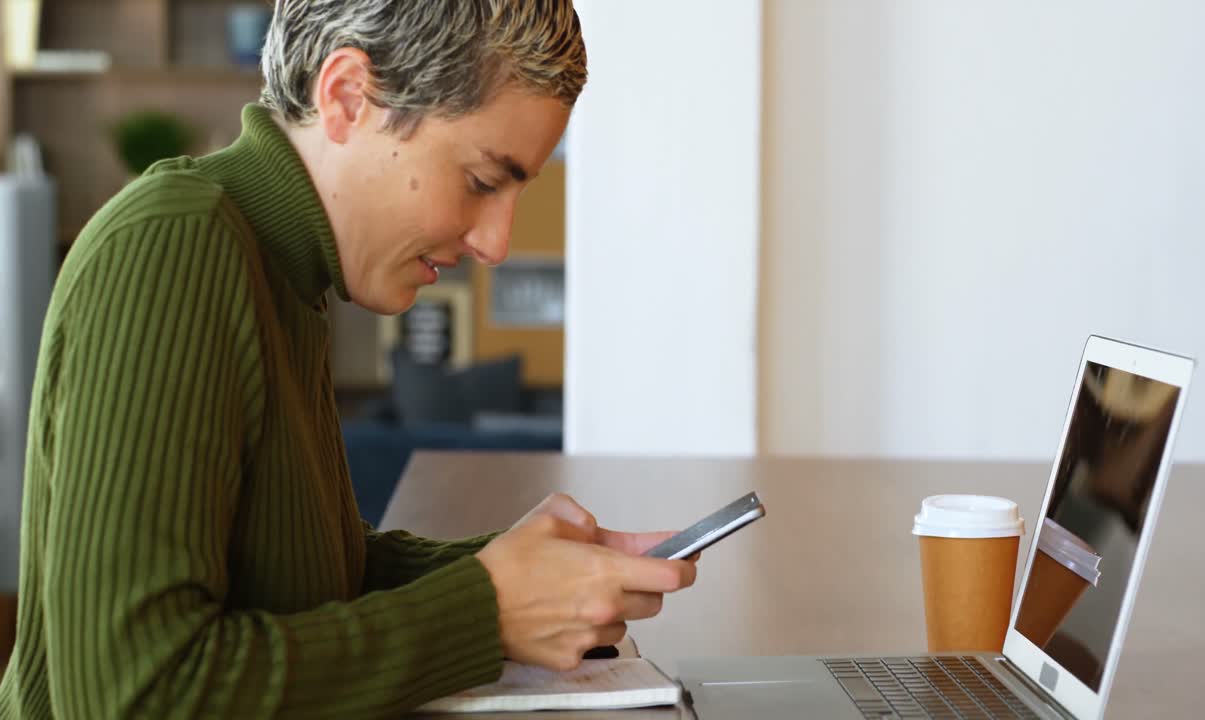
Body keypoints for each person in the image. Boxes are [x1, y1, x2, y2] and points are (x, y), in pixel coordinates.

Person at [0, 2, 697, 717]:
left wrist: (523, 574)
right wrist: (484, 613)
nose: (496, 243)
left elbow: (305, 576)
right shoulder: (175, 248)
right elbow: (134, 693)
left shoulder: (285, 272)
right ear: (346, 98)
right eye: (485, 180)